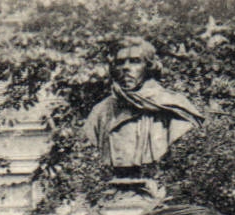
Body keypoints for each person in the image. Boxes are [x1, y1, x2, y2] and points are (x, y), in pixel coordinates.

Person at [83, 38, 204, 181]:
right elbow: (88, 149)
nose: (126, 68)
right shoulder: (101, 111)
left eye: (135, 61)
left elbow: (186, 152)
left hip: (158, 185)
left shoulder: (173, 105)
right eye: (120, 62)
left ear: (149, 66)